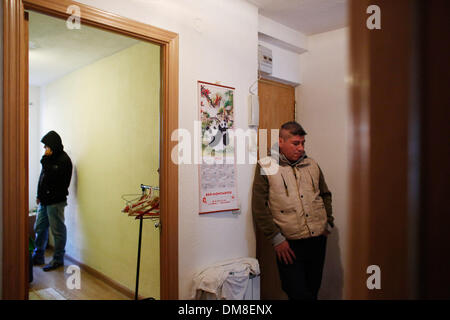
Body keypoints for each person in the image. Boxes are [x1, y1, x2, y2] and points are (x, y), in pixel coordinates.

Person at [252, 121, 334, 300]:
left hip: (317, 240)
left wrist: (328, 221)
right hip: (289, 244)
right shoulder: (266, 166)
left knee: (313, 290)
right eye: (295, 143)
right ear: (281, 142)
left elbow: (325, 194)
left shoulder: (312, 165)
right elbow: (259, 207)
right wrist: (276, 238)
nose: (301, 148)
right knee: (296, 292)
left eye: (303, 143)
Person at [32, 131, 73, 272]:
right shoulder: (50, 159)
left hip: (55, 202)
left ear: (53, 146)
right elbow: (43, 178)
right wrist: (39, 194)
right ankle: (38, 256)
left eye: (46, 146)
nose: (45, 149)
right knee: (39, 227)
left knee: (58, 231)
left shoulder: (63, 160)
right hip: (44, 201)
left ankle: (58, 259)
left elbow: (53, 178)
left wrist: (44, 160)